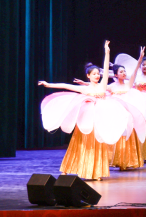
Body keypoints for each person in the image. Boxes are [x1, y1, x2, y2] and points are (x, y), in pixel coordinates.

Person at [38, 41, 139, 181]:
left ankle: (96, 172)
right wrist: (48, 84)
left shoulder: (103, 85)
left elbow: (106, 66)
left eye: (98, 74)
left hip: (99, 121)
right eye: (94, 74)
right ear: (88, 76)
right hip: (86, 121)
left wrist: (107, 51)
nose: (97, 76)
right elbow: (65, 86)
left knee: (98, 144)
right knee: (80, 144)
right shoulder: (84, 89)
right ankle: (68, 168)